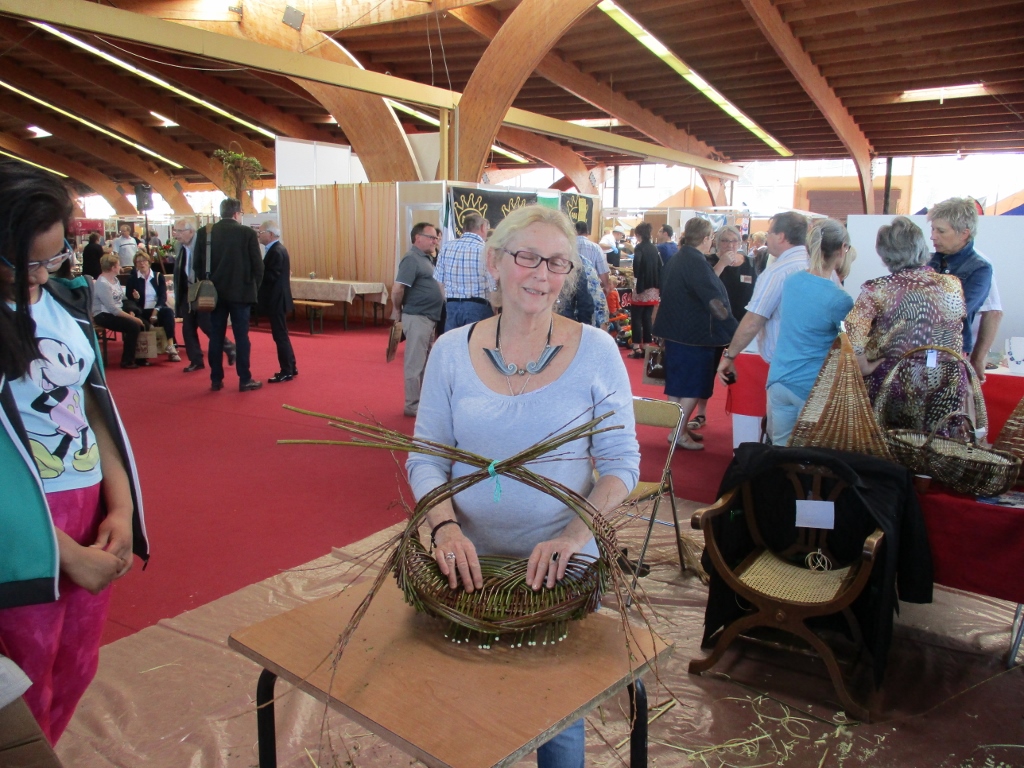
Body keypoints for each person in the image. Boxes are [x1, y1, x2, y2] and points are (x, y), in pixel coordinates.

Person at [406, 205, 639, 768]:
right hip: (466, 569)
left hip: (559, 573)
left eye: (557, 263)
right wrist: (445, 530)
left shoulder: (597, 351)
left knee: (555, 710)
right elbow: (427, 459)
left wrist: (574, 537)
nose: (541, 274)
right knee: (471, 711)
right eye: (527, 257)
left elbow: (620, 464)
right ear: (494, 262)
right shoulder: (450, 351)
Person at [0, 160, 147, 745]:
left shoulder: (64, 303)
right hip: (22, 529)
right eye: (25, 263)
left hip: (87, 507)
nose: (40, 275)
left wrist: (121, 509)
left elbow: (90, 411)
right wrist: (62, 553)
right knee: (24, 682)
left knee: (76, 667)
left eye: (54, 257)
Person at [846, 217, 966, 430]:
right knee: (939, 443)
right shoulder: (952, 284)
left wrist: (865, 367)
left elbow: (853, 335)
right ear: (921, 247)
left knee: (890, 442)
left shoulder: (877, 289)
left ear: (885, 255)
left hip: (896, 380)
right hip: (947, 378)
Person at [765, 219, 855, 445]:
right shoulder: (840, 299)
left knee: (780, 450)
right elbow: (850, 344)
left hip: (780, 378)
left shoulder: (792, 281)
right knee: (808, 455)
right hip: (811, 385)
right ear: (842, 248)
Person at [652, 217, 737, 451]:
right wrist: (734, 329)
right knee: (693, 386)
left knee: (677, 385)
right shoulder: (696, 262)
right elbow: (714, 300)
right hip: (694, 336)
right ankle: (678, 432)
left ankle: (677, 429)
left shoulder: (678, 258)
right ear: (707, 238)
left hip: (674, 332)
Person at [717, 211, 810, 410]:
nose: (767, 238)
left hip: (785, 367)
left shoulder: (777, 272)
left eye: (769, 233)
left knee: (781, 426)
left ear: (781, 236)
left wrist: (730, 356)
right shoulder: (821, 268)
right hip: (815, 367)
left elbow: (754, 320)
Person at [193, 198, 264, 392]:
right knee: (242, 337)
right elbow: (258, 266)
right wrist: (253, 288)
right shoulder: (247, 233)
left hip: (214, 294)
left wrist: (207, 284)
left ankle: (216, 379)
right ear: (236, 213)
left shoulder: (205, 233)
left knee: (216, 336)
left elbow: (197, 265)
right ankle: (244, 379)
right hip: (241, 293)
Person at [688, 225, 755, 431]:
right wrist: (723, 264)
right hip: (714, 325)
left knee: (742, 372)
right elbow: (705, 286)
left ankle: (741, 413)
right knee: (707, 371)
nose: (730, 245)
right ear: (717, 243)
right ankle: (701, 413)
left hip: (741, 325)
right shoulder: (708, 262)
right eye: (725, 240)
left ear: (740, 243)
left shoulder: (750, 263)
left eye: (734, 241)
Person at [926, 197, 992, 358]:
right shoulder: (926, 261)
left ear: (964, 234)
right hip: (918, 346)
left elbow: (957, 312)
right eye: (933, 229)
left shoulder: (980, 268)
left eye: (941, 231)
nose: (933, 236)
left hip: (951, 351)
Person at [171, 218, 237, 374]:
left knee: (206, 324)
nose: (176, 234)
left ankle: (229, 346)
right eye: (175, 231)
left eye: (179, 231)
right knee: (187, 327)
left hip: (202, 289)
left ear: (191, 231)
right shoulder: (179, 246)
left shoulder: (202, 244)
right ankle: (196, 360)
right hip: (186, 290)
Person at [391, 222, 444, 417]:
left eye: (436, 238)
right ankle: (412, 405)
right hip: (417, 317)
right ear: (418, 238)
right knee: (415, 364)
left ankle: (420, 402)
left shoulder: (426, 259)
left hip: (428, 318)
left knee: (424, 363)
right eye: (431, 237)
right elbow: (398, 289)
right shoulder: (411, 259)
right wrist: (397, 311)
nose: (435, 241)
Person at [434, 213, 494, 332]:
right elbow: (493, 286)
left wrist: (450, 301)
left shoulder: (446, 247)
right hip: (479, 307)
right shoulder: (486, 250)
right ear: (482, 227)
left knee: (453, 342)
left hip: (452, 306)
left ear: (464, 228)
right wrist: (494, 310)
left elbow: (439, 282)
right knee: (477, 342)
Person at [256, 220, 297, 383]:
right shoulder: (277, 249)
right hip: (278, 299)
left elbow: (271, 276)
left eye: (261, 232)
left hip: (276, 300)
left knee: (280, 336)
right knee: (282, 335)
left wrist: (257, 272)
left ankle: (286, 370)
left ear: (270, 234)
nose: (259, 235)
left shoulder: (275, 251)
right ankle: (291, 366)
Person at [92, 254, 147, 369]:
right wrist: (132, 318)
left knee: (143, 322)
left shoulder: (115, 280)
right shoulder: (102, 284)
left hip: (116, 311)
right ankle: (127, 360)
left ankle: (140, 357)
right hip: (103, 315)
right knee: (133, 325)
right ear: (113, 268)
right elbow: (112, 309)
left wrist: (130, 309)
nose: (120, 267)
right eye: (118, 265)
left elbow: (122, 299)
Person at [127, 250, 180, 363]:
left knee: (168, 313)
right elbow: (129, 299)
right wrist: (135, 297)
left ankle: (171, 346)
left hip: (157, 308)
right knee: (139, 319)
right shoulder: (132, 279)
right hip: (141, 310)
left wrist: (155, 312)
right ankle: (143, 352)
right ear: (136, 264)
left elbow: (162, 297)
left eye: (144, 260)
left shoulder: (158, 276)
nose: (142, 263)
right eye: (139, 261)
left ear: (149, 262)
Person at [628, 222, 661, 358]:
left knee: (636, 317)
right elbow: (660, 266)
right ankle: (647, 344)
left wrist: (637, 276)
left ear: (638, 234)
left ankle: (636, 346)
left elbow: (637, 264)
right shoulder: (654, 248)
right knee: (647, 317)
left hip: (642, 287)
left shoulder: (639, 247)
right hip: (653, 288)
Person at [575, 221, 611, 293]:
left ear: (574, 232)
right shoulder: (596, 247)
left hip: (571, 287)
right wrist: (606, 286)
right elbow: (603, 270)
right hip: (590, 289)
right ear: (587, 232)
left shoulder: (567, 246)